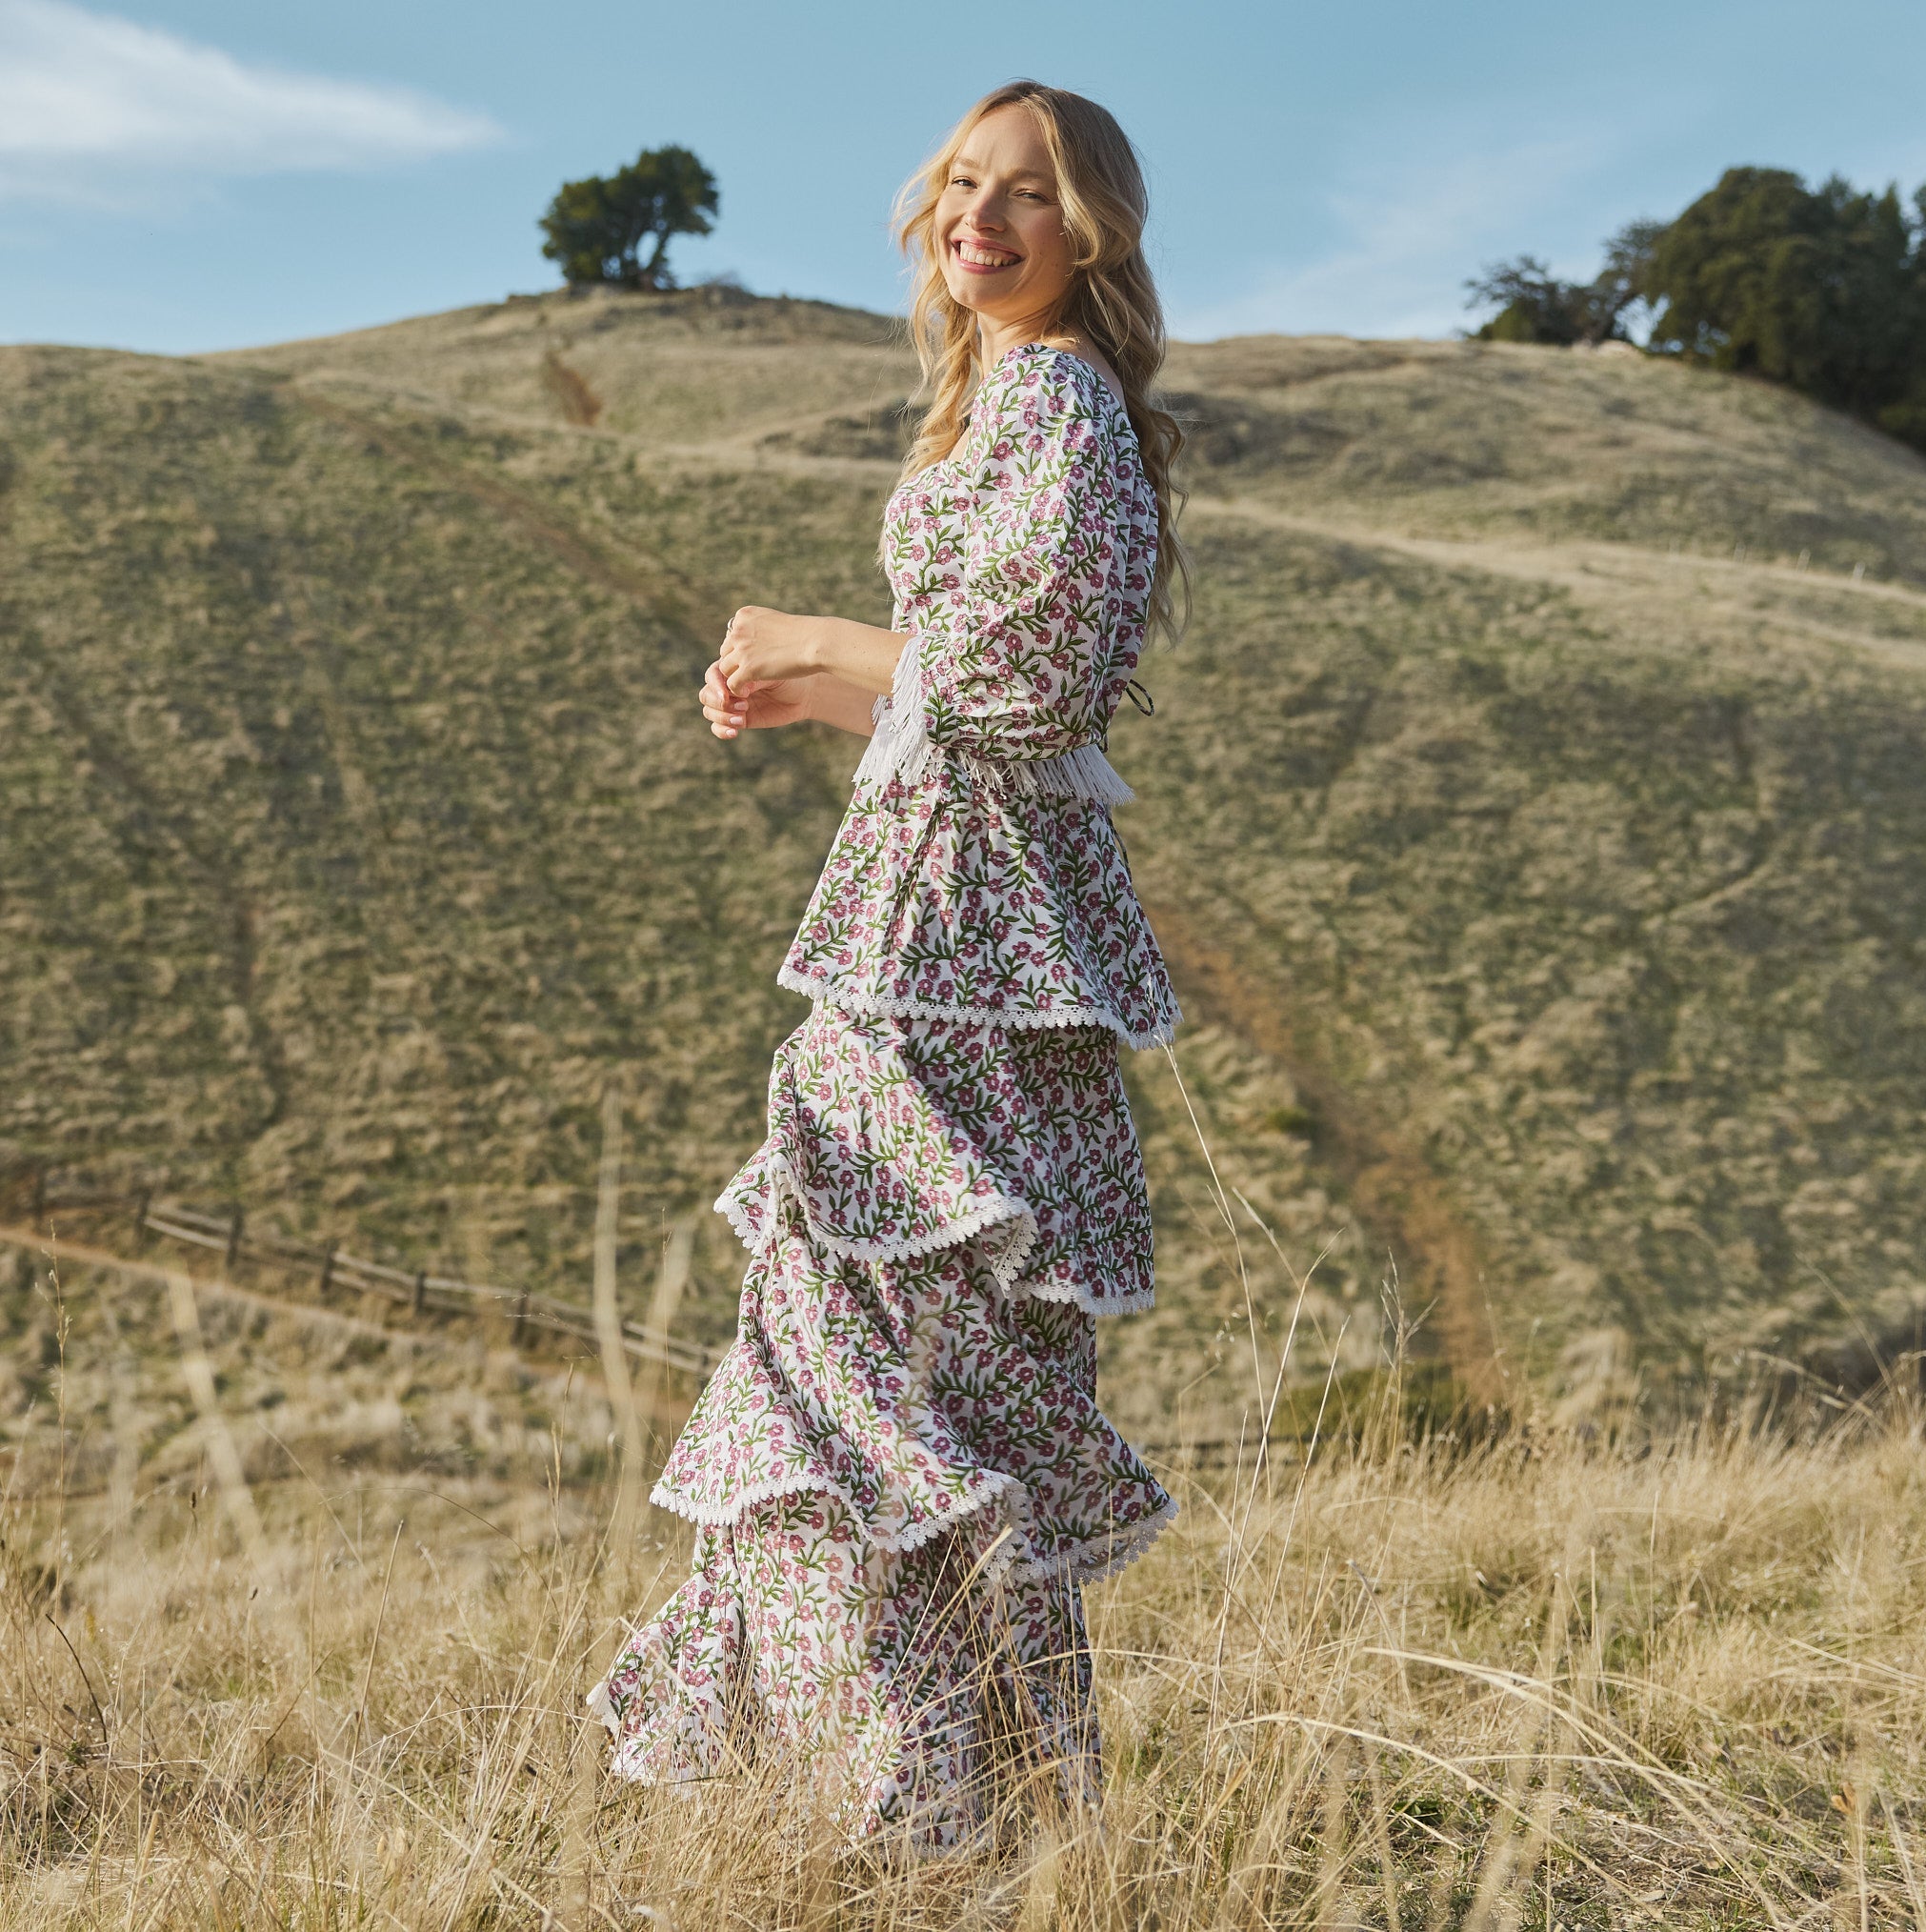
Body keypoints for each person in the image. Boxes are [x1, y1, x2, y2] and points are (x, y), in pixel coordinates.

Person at [590, 78, 1188, 1854]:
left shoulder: (1065, 396)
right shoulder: (1000, 397)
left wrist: (820, 630)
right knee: (901, 1381)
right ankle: (969, 1800)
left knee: (851, 1366)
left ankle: (909, 1806)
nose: (975, 219)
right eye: (958, 185)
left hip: (968, 973)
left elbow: (1028, 684)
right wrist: (818, 696)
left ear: (1089, 230)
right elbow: (964, 723)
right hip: (949, 934)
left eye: (1022, 194)